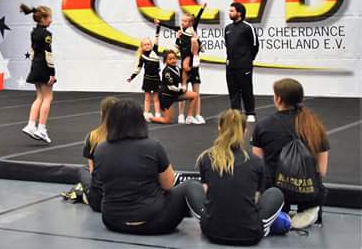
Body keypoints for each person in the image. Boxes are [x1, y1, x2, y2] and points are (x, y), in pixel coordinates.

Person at [186, 109, 284, 245]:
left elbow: (208, 195)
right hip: (250, 235)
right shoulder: (256, 162)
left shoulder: (206, 158)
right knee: (276, 193)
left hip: (212, 232)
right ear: (244, 132)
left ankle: (213, 221)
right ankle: (259, 227)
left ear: (219, 129)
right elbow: (256, 198)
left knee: (192, 186)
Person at [93, 99, 190, 234]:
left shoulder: (100, 149)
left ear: (111, 121)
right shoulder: (153, 146)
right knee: (191, 186)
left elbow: (100, 183)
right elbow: (168, 184)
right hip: (153, 221)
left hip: (113, 221)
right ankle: (209, 220)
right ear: (140, 121)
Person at [251, 78, 329, 229]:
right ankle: (309, 210)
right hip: (309, 195)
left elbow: (257, 166)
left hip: (277, 195)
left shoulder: (263, 125)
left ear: (278, 99)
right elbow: (322, 170)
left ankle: (279, 214)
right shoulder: (315, 125)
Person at [157, 2, 206, 123]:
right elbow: (170, 27)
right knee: (184, 91)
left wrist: (202, 8)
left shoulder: (193, 30)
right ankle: (181, 115)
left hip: (194, 65)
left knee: (196, 92)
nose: (182, 23)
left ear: (190, 23)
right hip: (185, 67)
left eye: (185, 21)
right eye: (182, 21)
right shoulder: (180, 32)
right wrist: (160, 23)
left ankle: (197, 114)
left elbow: (197, 18)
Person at [19, 4, 56, 144]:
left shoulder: (34, 32)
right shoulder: (46, 34)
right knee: (48, 98)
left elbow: (33, 51)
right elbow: (48, 53)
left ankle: (31, 125)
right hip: (44, 67)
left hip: (35, 65)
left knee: (39, 97)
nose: (51, 20)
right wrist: (52, 73)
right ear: (43, 19)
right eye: (49, 17)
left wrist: (34, 65)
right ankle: (41, 128)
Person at [79, 97, 118, 212]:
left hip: (99, 199)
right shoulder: (129, 135)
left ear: (102, 113)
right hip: (122, 195)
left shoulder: (93, 135)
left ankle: (87, 193)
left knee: (83, 170)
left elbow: (91, 163)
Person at [224, 2, 259, 121]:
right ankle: (236, 113)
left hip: (244, 65)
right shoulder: (228, 28)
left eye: (232, 11)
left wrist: (248, 59)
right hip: (230, 65)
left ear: (239, 13)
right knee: (233, 91)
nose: (229, 13)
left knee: (246, 89)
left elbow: (255, 45)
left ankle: (250, 113)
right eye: (229, 11)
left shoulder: (248, 27)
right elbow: (228, 46)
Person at [149, 50, 199, 124]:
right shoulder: (167, 72)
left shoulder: (177, 68)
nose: (173, 60)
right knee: (167, 120)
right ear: (165, 61)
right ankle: (150, 118)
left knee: (194, 95)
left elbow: (185, 72)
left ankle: (189, 117)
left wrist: (191, 66)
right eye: (170, 59)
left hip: (175, 94)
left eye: (174, 58)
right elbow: (171, 87)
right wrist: (181, 89)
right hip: (166, 96)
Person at [127, 23, 162, 120]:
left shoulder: (155, 51)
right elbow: (138, 68)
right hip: (147, 79)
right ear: (142, 47)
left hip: (156, 78)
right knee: (147, 98)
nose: (147, 46)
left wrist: (158, 28)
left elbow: (156, 38)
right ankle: (146, 114)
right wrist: (132, 77)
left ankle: (157, 114)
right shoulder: (142, 57)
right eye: (145, 45)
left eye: (149, 44)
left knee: (156, 98)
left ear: (151, 45)